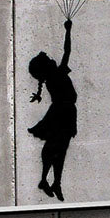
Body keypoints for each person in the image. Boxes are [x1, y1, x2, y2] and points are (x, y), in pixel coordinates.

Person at [27, 19, 77, 202]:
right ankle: (50, 181)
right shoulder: (57, 74)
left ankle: (52, 182)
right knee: (57, 148)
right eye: (48, 60)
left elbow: (67, 52)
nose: (51, 59)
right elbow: (67, 50)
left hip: (64, 112)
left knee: (56, 148)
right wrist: (68, 31)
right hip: (63, 113)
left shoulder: (53, 77)